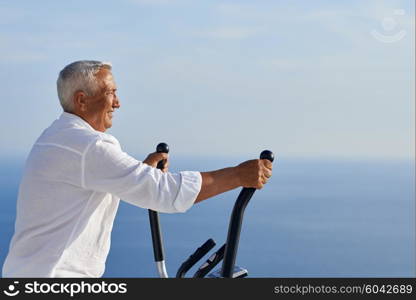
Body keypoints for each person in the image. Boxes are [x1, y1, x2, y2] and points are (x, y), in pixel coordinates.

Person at [2, 60, 273, 277]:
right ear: (82, 100)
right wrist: (239, 174)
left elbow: (86, 185)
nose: (118, 103)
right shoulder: (89, 145)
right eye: (111, 93)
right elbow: (167, 194)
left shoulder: (55, 137)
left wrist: (141, 172)